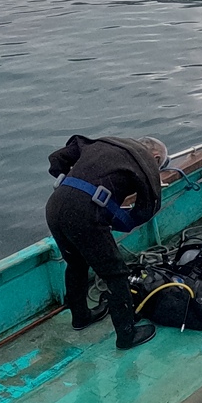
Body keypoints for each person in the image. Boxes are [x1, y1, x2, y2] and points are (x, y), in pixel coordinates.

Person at [46, 134, 168, 350]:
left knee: (76, 263)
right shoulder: (147, 161)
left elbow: (57, 159)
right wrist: (116, 219)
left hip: (55, 205)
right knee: (116, 273)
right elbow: (147, 210)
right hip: (84, 214)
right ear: (156, 157)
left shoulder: (105, 142)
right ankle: (127, 335)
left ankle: (81, 317)